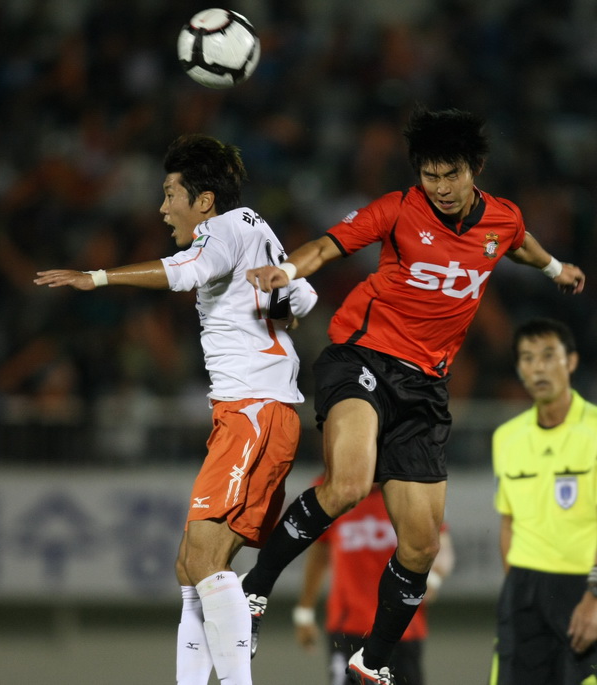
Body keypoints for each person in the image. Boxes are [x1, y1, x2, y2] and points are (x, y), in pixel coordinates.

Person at [241, 106, 586, 685]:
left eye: (451, 174)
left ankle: (372, 661)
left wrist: (554, 269)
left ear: (475, 170)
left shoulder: (501, 219)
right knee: (350, 485)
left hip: (426, 387)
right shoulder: (398, 209)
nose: (441, 187)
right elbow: (325, 247)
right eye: (430, 175)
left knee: (421, 547)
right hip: (362, 358)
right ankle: (254, 589)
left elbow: (519, 244)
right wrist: (287, 272)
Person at [34, 134, 318, 685]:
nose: (163, 209)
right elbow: (301, 299)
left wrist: (97, 277)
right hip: (254, 411)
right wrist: (276, 305)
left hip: (253, 411)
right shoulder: (256, 227)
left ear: (203, 200)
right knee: (190, 565)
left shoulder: (221, 229)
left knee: (205, 562)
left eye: (170, 195)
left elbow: (183, 271)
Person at [489, 318, 597, 685]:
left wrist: (595, 597)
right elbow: (508, 523)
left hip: (585, 590)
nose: (538, 367)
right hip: (524, 591)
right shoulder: (506, 437)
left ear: (572, 361)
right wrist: (515, 592)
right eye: (528, 358)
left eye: (549, 355)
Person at [293, 478, 455, 685]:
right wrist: (304, 612)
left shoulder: (412, 486)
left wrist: (433, 578)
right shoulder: (332, 483)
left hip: (402, 628)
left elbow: (441, 547)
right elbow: (319, 553)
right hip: (348, 626)